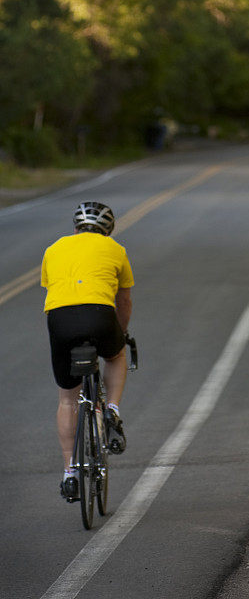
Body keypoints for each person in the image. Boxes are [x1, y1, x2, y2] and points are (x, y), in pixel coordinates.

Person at [41, 201, 134, 501]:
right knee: (116, 354)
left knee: (68, 399)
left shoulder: (53, 248)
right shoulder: (116, 250)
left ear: (75, 227)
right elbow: (124, 302)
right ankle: (112, 409)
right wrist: (120, 333)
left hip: (60, 320)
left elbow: (52, 288)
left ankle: (70, 472)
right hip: (101, 314)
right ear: (108, 230)